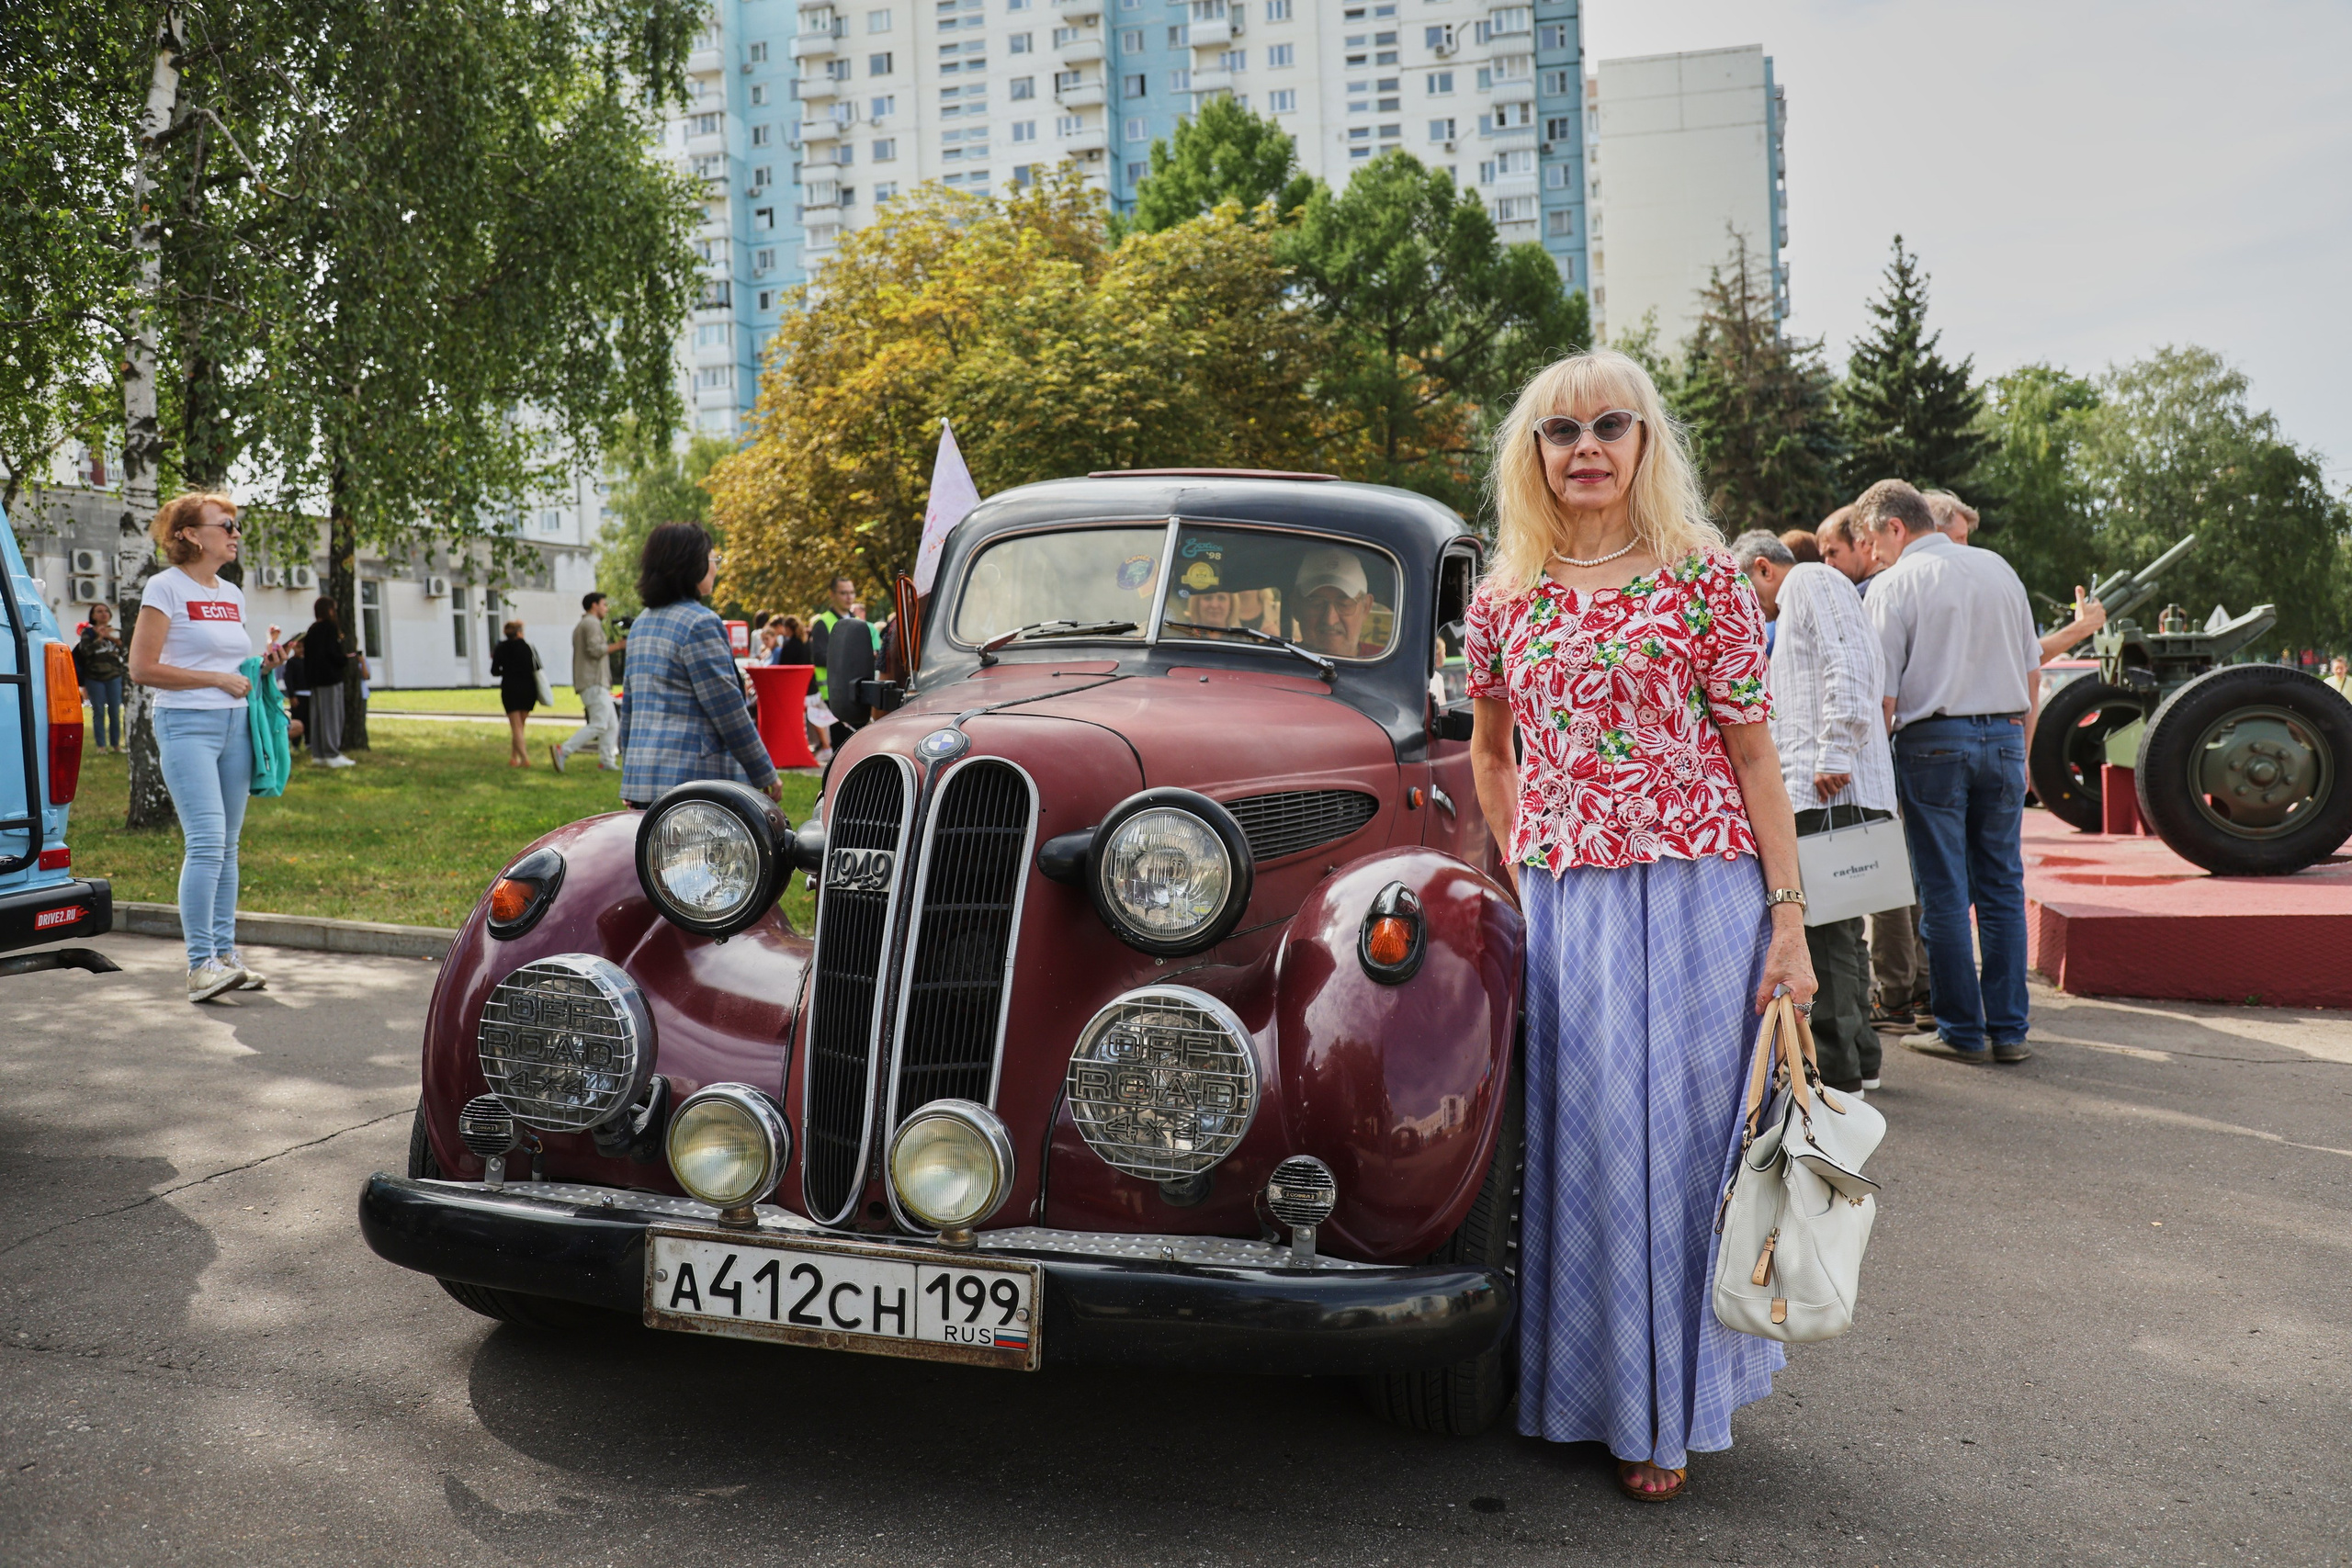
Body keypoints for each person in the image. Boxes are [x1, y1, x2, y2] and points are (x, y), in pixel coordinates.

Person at [1464, 349, 1814, 1505]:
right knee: (1595, 1149)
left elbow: (1755, 755)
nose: (1586, 449)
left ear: (1644, 443)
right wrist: (1522, 866)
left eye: (1610, 425)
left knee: (1688, 1155)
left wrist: (1789, 923)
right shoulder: (1503, 598)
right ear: (1533, 457)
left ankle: (1670, 1413)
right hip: (1574, 905)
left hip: (1707, 888)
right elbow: (1488, 751)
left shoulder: (1703, 580)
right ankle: (1596, 1397)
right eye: (1560, 433)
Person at [1858, 479, 2042, 1066]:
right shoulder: (1998, 569)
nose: (1871, 556)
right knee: (2002, 887)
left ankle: (1961, 1028)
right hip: (2006, 735)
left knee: (1942, 890)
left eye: (1872, 541)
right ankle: (2010, 1028)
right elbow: (2032, 670)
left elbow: (1882, 696)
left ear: (1894, 527)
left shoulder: (1895, 584)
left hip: (1933, 740)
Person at [1732, 530, 1897, 1095]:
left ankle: (1835, 1065)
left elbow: (1848, 663)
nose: (1750, 610)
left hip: (1823, 786)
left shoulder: (1809, 580)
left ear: (1762, 569)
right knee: (1843, 932)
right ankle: (1860, 1058)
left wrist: (1834, 751)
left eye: (1747, 594)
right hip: (1834, 786)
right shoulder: (1817, 586)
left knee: (1823, 933)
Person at [127, 491, 286, 1002]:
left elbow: (231, 667)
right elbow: (142, 669)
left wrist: (263, 665)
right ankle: (200, 966)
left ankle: (225, 955)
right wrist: (217, 679)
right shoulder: (164, 587)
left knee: (228, 846)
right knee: (206, 840)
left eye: (237, 526)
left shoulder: (232, 593)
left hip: (235, 726)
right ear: (191, 535)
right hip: (185, 725)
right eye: (228, 525)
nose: (237, 534)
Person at [619, 522, 782, 808]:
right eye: (712, 559)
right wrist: (763, 771)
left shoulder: (641, 623)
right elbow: (727, 709)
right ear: (689, 564)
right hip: (693, 783)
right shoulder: (700, 623)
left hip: (644, 778)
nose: (716, 568)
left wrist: (631, 773)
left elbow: (630, 708)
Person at [551, 592, 624, 773]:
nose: (606, 609)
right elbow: (594, 650)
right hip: (592, 681)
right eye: (604, 605)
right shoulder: (591, 624)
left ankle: (607, 761)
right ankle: (563, 751)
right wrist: (620, 646)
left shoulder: (585, 624)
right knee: (599, 723)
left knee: (612, 724)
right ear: (594, 605)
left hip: (596, 682)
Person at [1293, 548, 1385, 659]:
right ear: (1296, 607)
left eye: (1344, 604)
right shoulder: (1275, 663)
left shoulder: (1386, 665)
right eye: (1317, 603)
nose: (1330, 620)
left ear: (1366, 607)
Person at [300, 595, 354, 768]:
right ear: (329, 610)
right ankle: (332, 753)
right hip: (330, 678)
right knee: (332, 716)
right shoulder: (330, 628)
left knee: (318, 716)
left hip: (314, 680)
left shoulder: (312, 629)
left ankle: (319, 753)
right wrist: (344, 659)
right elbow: (332, 653)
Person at [74, 602, 129, 752]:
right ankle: (101, 746)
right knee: (98, 711)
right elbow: (85, 652)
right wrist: (98, 638)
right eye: (99, 611)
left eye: (106, 611)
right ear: (92, 615)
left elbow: (124, 649)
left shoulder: (117, 631)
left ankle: (116, 745)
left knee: (115, 712)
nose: (103, 614)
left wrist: (110, 637)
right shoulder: (88, 633)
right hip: (94, 677)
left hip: (114, 676)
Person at [490, 618, 541, 766]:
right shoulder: (528, 647)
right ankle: (515, 758)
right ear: (519, 633)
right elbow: (536, 667)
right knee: (521, 725)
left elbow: (494, 671)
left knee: (516, 726)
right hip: (528, 688)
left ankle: (523, 758)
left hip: (510, 688)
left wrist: (506, 670)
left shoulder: (501, 648)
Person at [1815, 505, 1883, 597]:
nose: (1828, 564)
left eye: (1833, 552)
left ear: (1863, 543)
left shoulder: (1863, 596)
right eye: (1824, 557)